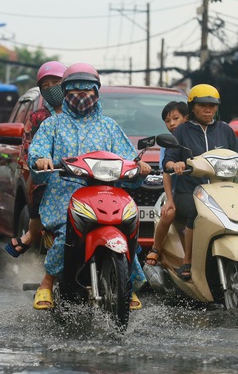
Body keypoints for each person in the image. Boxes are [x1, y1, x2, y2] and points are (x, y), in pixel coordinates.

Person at [28, 63, 152, 310]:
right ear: (65, 94)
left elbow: (129, 157)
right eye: (74, 91)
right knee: (67, 233)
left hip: (107, 193)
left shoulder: (109, 126)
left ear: (96, 93)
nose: (81, 96)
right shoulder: (53, 125)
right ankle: (46, 283)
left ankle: (127, 282)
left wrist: (140, 167)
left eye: (87, 90)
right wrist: (41, 160)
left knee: (127, 229)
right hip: (65, 195)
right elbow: (38, 151)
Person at [160, 84, 238, 281]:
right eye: (203, 105)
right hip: (190, 191)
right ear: (192, 107)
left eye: (212, 105)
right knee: (196, 211)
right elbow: (168, 159)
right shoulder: (181, 131)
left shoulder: (225, 130)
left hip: (224, 191)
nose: (208, 109)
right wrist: (175, 164)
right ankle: (188, 261)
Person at [5, 61, 67, 258]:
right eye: (45, 86)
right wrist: (39, 161)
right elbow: (30, 148)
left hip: (82, 174)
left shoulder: (84, 115)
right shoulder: (39, 117)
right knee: (39, 195)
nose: (51, 89)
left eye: (56, 82)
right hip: (51, 174)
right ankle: (32, 235)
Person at [145, 101, 188, 267]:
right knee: (168, 214)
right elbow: (166, 173)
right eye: (167, 121)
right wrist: (170, 200)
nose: (172, 124)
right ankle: (156, 248)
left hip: (200, 190)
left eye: (175, 118)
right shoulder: (168, 143)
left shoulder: (196, 136)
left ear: (187, 118)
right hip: (178, 191)